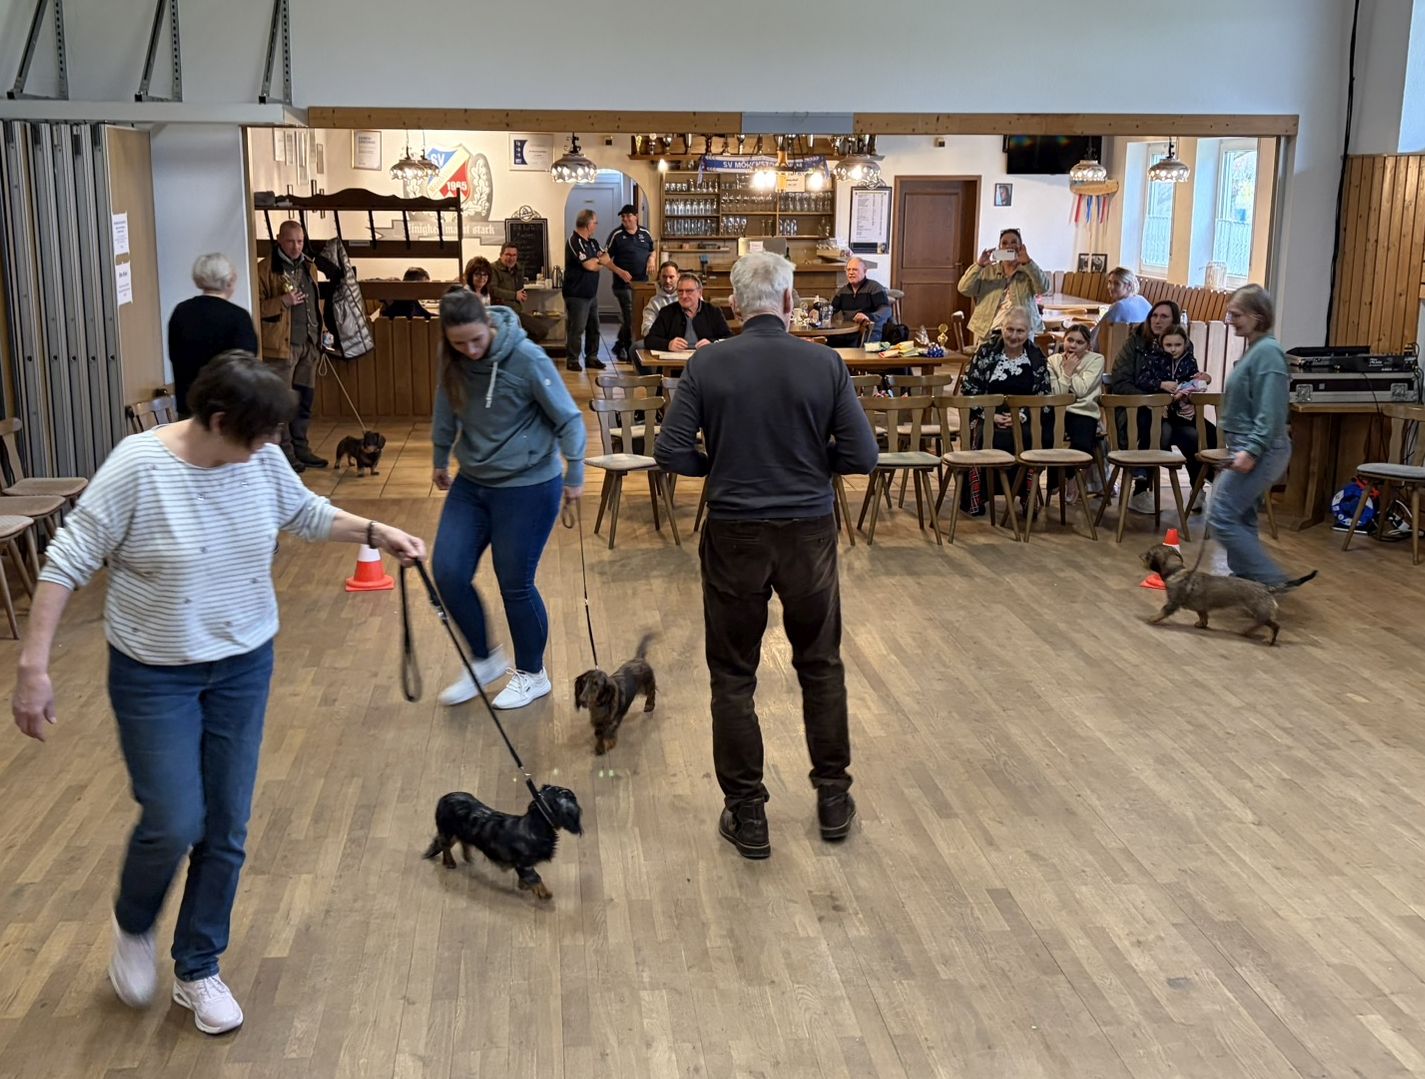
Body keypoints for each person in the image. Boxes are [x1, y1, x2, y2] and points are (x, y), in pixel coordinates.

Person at [10, 353, 425, 1035]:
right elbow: (67, 559)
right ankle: (134, 924)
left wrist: (378, 532)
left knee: (226, 826)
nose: (267, 451)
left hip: (242, 665)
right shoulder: (139, 466)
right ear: (219, 420)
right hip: (154, 672)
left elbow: (305, 512)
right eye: (258, 437)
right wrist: (34, 666)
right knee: (175, 819)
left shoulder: (259, 460)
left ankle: (198, 966)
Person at [654, 251, 878, 860]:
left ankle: (748, 811)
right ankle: (833, 797)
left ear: (732, 306)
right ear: (788, 303)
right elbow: (863, 456)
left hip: (734, 531)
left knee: (733, 674)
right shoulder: (824, 363)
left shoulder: (707, 364)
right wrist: (814, 465)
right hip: (808, 532)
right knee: (821, 664)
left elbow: (669, 451)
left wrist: (716, 465)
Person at [431, 289, 587, 711]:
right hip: (473, 482)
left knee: (514, 582)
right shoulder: (453, 358)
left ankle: (533, 674)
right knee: (447, 571)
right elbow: (446, 407)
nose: (470, 350)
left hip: (529, 485)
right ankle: (485, 660)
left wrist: (575, 471)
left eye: (476, 340)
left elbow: (570, 419)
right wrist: (440, 456)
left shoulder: (527, 358)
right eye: (459, 343)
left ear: (489, 324)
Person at [1208, 285, 1307, 584]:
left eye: (1236, 315)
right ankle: (1248, 581)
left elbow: (1272, 412)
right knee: (1241, 515)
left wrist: (1251, 451)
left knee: (1220, 514)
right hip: (1246, 444)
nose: (1230, 320)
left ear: (1257, 316)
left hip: (1262, 448)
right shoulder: (1257, 349)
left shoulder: (1268, 354)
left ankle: (1271, 581)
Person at [959, 306, 1050, 514]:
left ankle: (1026, 498)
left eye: (1020, 331)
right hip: (987, 413)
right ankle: (976, 499)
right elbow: (969, 390)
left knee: (1029, 437)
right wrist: (990, 415)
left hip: (1025, 416)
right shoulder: (986, 351)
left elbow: (1044, 395)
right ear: (1002, 327)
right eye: (1010, 329)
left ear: (1028, 332)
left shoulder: (1036, 356)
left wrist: (1022, 415)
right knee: (983, 436)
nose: (1014, 336)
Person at [257, 220, 327, 473]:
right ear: (279, 240)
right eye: (290, 241)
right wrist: (283, 301)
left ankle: (302, 447)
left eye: (300, 241)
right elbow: (256, 307)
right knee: (282, 402)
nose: (296, 247)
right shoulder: (265, 269)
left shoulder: (309, 266)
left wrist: (322, 332)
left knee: (304, 399)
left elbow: (315, 303)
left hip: (309, 344)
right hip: (281, 346)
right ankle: (285, 454)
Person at [1110, 300, 1185, 513]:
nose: (1157, 321)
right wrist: (1151, 402)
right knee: (1160, 430)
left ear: (1174, 321)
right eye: (1154, 315)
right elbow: (1120, 382)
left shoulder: (1179, 344)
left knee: (1196, 433)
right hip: (1134, 411)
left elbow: (1185, 378)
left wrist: (1189, 394)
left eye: (1164, 317)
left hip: (1172, 409)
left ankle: (1203, 486)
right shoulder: (1135, 343)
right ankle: (1140, 490)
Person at [167, 253, 258, 417]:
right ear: (229, 280)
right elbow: (247, 364)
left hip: (190, 406)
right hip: (228, 409)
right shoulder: (238, 317)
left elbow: (175, 355)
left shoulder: (181, 312)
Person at [1045, 323, 1105, 502]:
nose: (1073, 345)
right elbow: (1057, 394)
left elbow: (1082, 390)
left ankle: (1070, 476)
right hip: (1058, 410)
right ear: (1063, 340)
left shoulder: (1096, 360)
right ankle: (1055, 480)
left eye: (1079, 342)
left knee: (1082, 441)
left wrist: (1069, 371)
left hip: (1084, 411)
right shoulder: (1053, 360)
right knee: (1049, 438)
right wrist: (1067, 372)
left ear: (1088, 346)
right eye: (1070, 340)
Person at [956, 228, 1050, 342]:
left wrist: (1028, 262)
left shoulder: (1028, 271)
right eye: (1004, 243)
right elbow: (963, 288)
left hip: (1020, 333)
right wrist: (979, 265)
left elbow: (1044, 288)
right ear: (1000, 248)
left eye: (1014, 242)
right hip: (990, 332)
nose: (1009, 246)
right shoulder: (988, 271)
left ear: (1021, 247)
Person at [1158, 325, 1216, 496]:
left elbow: (1194, 382)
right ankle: (1200, 482)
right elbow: (1148, 381)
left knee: (1210, 432)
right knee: (1191, 437)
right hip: (1162, 413)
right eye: (1168, 345)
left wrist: (1203, 380)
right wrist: (1162, 386)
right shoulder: (1157, 360)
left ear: (1185, 344)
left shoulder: (1189, 360)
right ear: (1162, 344)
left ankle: (1207, 478)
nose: (1173, 349)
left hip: (1184, 411)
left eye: (1178, 345)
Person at [562, 209, 619, 372]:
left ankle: (591, 357)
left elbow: (605, 258)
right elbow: (589, 265)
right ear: (588, 224)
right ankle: (572, 359)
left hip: (591, 293)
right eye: (595, 222)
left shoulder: (592, 243)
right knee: (577, 328)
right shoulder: (574, 241)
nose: (596, 225)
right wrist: (598, 262)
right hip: (577, 294)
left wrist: (598, 261)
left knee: (594, 327)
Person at [605, 204, 656, 361]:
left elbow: (653, 249)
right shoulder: (617, 235)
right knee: (630, 317)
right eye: (623, 217)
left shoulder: (645, 233)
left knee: (637, 316)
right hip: (623, 285)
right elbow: (604, 258)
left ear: (636, 217)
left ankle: (619, 344)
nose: (625, 219)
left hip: (642, 284)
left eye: (628, 216)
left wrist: (651, 259)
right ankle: (627, 350)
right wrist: (619, 271)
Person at [644, 273, 732, 353]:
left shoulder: (713, 311)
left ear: (699, 292)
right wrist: (668, 344)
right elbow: (649, 340)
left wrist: (712, 343)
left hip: (705, 360)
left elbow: (729, 338)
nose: (684, 296)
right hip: (674, 362)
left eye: (689, 291)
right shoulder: (667, 312)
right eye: (680, 291)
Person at [489, 243, 548, 343]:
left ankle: (516, 343)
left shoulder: (518, 268)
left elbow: (519, 289)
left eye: (514, 255)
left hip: (516, 312)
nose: (511, 258)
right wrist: (515, 295)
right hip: (502, 313)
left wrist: (522, 294)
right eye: (508, 254)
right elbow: (493, 290)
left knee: (542, 331)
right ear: (501, 255)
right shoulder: (493, 268)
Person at [1089, 266, 1152, 351]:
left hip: (1117, 352)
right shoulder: (1142, 300)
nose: (1111, 287)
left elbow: (1094, 338)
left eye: (1117, 284)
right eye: (1109, 282)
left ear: (1129, 286)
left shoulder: (1119, 306)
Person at [830, 257, 893, 342]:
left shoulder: (875, 287)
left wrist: (868, 316)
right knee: (826, 342)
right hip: (849, 332)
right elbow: (831, 310)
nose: (851, 273)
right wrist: (819, 312)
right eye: (848, 270)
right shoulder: (842, 292)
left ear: (865, 271)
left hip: (870, 332)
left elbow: (886, 310)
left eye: (855, 270)